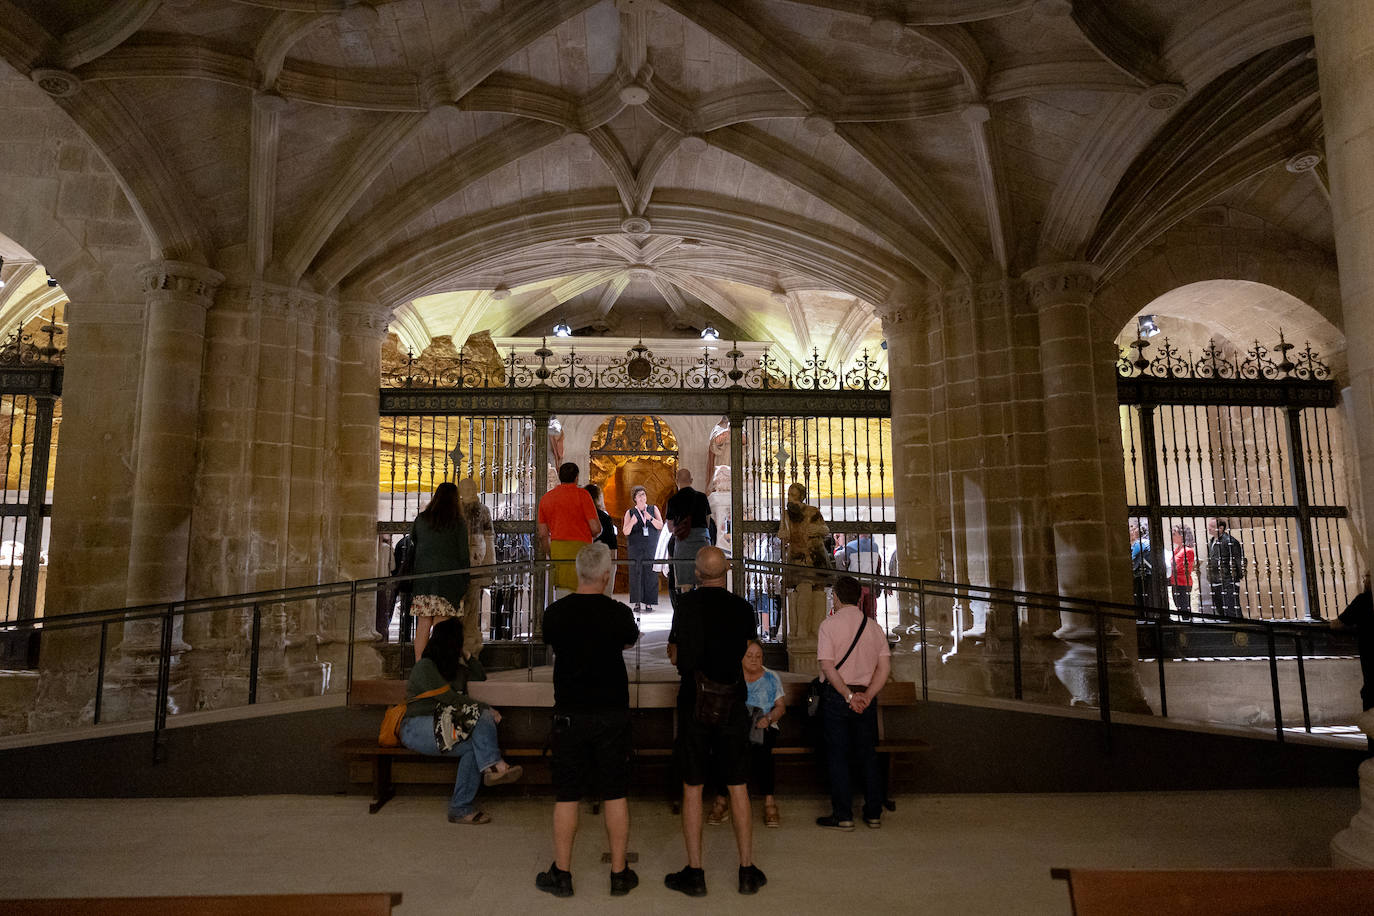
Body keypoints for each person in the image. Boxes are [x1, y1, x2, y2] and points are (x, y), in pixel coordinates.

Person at [537, 543, 641, 898]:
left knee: (567, 796)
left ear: (579, 573)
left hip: (569, 714)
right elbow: (629, 641)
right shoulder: (618, 614)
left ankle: (562, 874)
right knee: (615, 793)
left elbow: (551, 641)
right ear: (607, 576)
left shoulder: (556, 613)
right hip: (611, 713)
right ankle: (618, 872)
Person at [665, 546, 767, 897]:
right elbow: (750, 657)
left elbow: (676, 653)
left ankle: (695, 872)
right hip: (733, 704)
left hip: (694, 701)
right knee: (738, 785)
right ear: (727, 571)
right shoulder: (743, 609)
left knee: (693, 786)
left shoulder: (686, 606)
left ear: (696, 573)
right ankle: (747, 869)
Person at [398, 618, 522, 824]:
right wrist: (486, 708)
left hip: (444, 726)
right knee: (481, 715)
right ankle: (495, 765)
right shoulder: (425, 667)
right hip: (417, 727)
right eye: (459, 641)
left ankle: (460, 808)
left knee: (474, 748)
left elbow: (480, 677)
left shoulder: (455, 669)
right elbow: (451, 698)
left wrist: (467, 655)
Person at [816, 575, 891, 831]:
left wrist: (848, 695)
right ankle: (873, 812)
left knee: (838, 755)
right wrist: (867, 696)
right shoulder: (874, 628)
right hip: (865, 697)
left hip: (838, 697)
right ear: (860, 597)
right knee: (867, 755)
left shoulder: (829, 626)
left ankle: (843, 814)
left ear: (836, 596)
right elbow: (884, 668)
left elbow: (827, 666)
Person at [706, 639, 785, 830]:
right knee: (724, 749)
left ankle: (769, 800)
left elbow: (781, 707)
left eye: (758, 656)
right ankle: (721, 798)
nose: (754, 660)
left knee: (763, 750)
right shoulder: (733, 677)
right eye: (749, 656)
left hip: (763, 723)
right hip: (737, 724)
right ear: (741, 657)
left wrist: (769, 718)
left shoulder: (771, 677)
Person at [409, 482, 471, 658]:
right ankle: (437, 669)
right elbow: (463, 555)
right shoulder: (457, 523)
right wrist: (465, 581)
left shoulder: (421, 519)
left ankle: (420, 667)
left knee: (422, 625)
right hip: (448, 582)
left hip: (423, 581)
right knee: (441, 628)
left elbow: (413, 540)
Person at [538, 463, 600, 599]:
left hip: (558, 552)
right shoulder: (583, 495)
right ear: (576, 478)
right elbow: (595, 528)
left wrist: (550, 552)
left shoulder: (546, 498)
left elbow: (542, 534)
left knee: (562, 598)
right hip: (582, 551)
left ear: (560, 477)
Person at [458, 478, 496, 658]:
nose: (467, 490)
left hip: (476, 561)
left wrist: (489, 566)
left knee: (473, 605)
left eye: (469, 487)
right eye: (464, 487)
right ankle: (457, 641)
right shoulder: (456, 509)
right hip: (457, 562)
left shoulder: (483, 510)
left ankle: (470, 641)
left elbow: (489, 537)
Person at [665, 468, 712, 596]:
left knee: (685, 584)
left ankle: (687, 610)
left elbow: (670, 528)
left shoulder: (673, 500)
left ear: (676, 481)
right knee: (702, 580)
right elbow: (707, 523)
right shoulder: (702, 497)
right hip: (702, 542)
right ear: (691, 480)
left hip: (683, 542)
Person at [1333, 573, 1374, 713]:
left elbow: (1338, 623)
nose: (1364, 579)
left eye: (1366, 576)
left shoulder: (1363, 600)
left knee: (1370, 689)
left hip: (1369, 650)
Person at [622, 485, 664, 613]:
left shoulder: (653, 509)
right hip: (635, 547)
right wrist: (632, 522)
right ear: (634, 498)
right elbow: (625, 531)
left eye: (644, 494)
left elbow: (661, 525)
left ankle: (649, 603)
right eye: (639, 495)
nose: (642, 497)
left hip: (651, 546)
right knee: (636, 573)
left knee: (651, 573)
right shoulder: (630, 512)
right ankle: (637, 601)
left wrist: (650, 518)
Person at [1207, 518, 1247, 618]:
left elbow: (1238, 559)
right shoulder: (1211, 541)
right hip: (1215, 580)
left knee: (1232, 610)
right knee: (1220, 610)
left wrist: (1237, 577)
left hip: (1228, 580)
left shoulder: (1230, 541)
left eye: (1212, 527)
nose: (1209, 529)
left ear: (1221, 528)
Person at [585, 483, 618, 597]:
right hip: (603, 559)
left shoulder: (580, 516)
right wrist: (613, 564)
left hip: (584, 559)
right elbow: (612, 543)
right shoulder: (604, 517)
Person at [1168, 523, 1195, 621]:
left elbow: (1176, 564)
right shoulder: (1177, 549)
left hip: (1183, 582)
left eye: (1174, 534)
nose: (1172, 536)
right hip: (1175, 581)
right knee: (1178, 605)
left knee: (1184, 607)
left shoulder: (1187, 550)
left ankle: (1188, 625)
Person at [1130, 518, 1152, 608]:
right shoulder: (1149, 542)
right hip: (1149, 575)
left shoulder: (1139, 543)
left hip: (1141, 576)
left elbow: (1133, 561)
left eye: (1134, 528)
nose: (1132, 530)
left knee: (1140, 602)